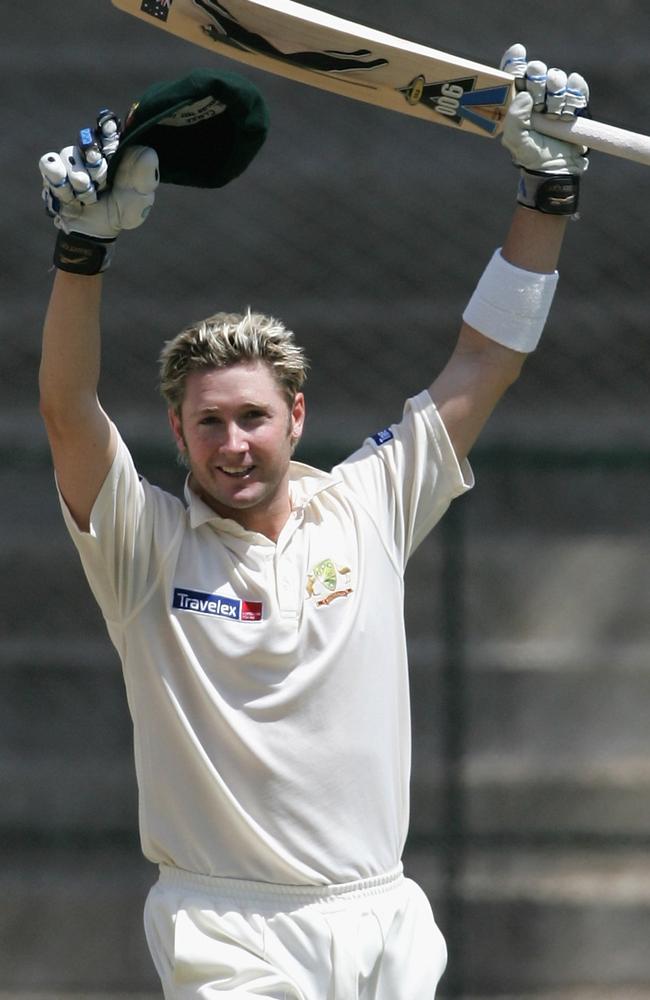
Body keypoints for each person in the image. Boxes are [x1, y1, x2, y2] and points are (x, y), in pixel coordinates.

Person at [38, 43, 589, 1000]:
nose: (233, 443)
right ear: (176, 430)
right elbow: (66, 407)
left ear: (295, 415)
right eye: (208, 423)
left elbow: (483, 362)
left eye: (252, 417)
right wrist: (83, 254)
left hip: (383, 920)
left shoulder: (368, 503)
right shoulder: (143, 546)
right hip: (226, 927)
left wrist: (547, 195)